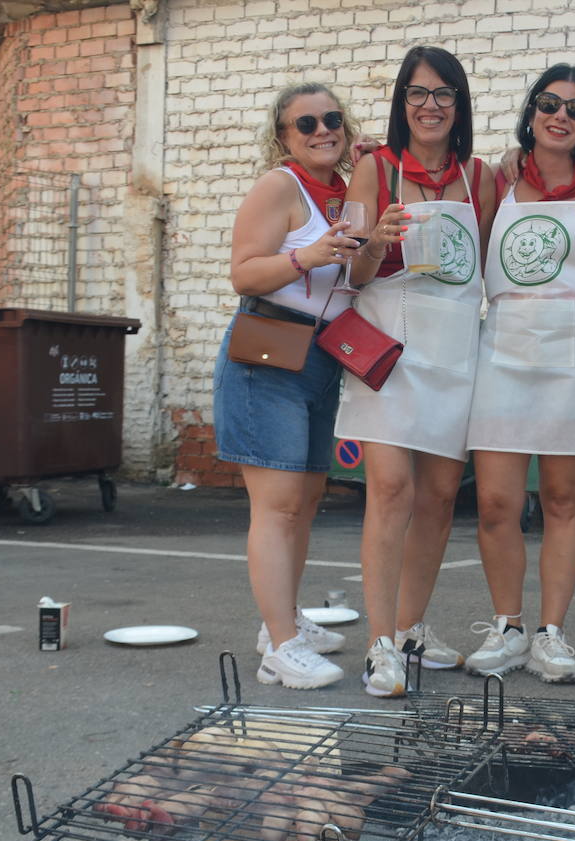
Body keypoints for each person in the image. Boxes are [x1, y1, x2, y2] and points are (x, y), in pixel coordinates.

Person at [338, 46, 497, 697]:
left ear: (458, 106)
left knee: (436, 499)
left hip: (454, 347)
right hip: (390, 349)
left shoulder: (480, 178)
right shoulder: (374, 169)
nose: (430, 105)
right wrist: (377, 239)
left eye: (443, 94)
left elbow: (486, 267)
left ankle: (410, 628)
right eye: (418, 94)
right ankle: (379, 645)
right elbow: (349, 271)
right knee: (393, 491)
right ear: (402, 104)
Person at [462, 65, 575, 684]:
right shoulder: (496, 184)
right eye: (549, 104)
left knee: (562, 500)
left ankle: (552, 634)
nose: (561, 116)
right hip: (502, 352)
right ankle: (508, 627)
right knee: (498, 503)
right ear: (531, 113)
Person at [216, 83, 361, 689]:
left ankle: (286, 620)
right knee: (275, 507)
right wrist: (312, 256)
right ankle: (279, 644)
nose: (321, 130)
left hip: (320, 358)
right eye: (306, 124)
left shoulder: (349, 191)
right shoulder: (281, 186)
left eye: (332, 119)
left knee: (303, 504)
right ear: (283, 136)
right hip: (267, 356)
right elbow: (243, 271)